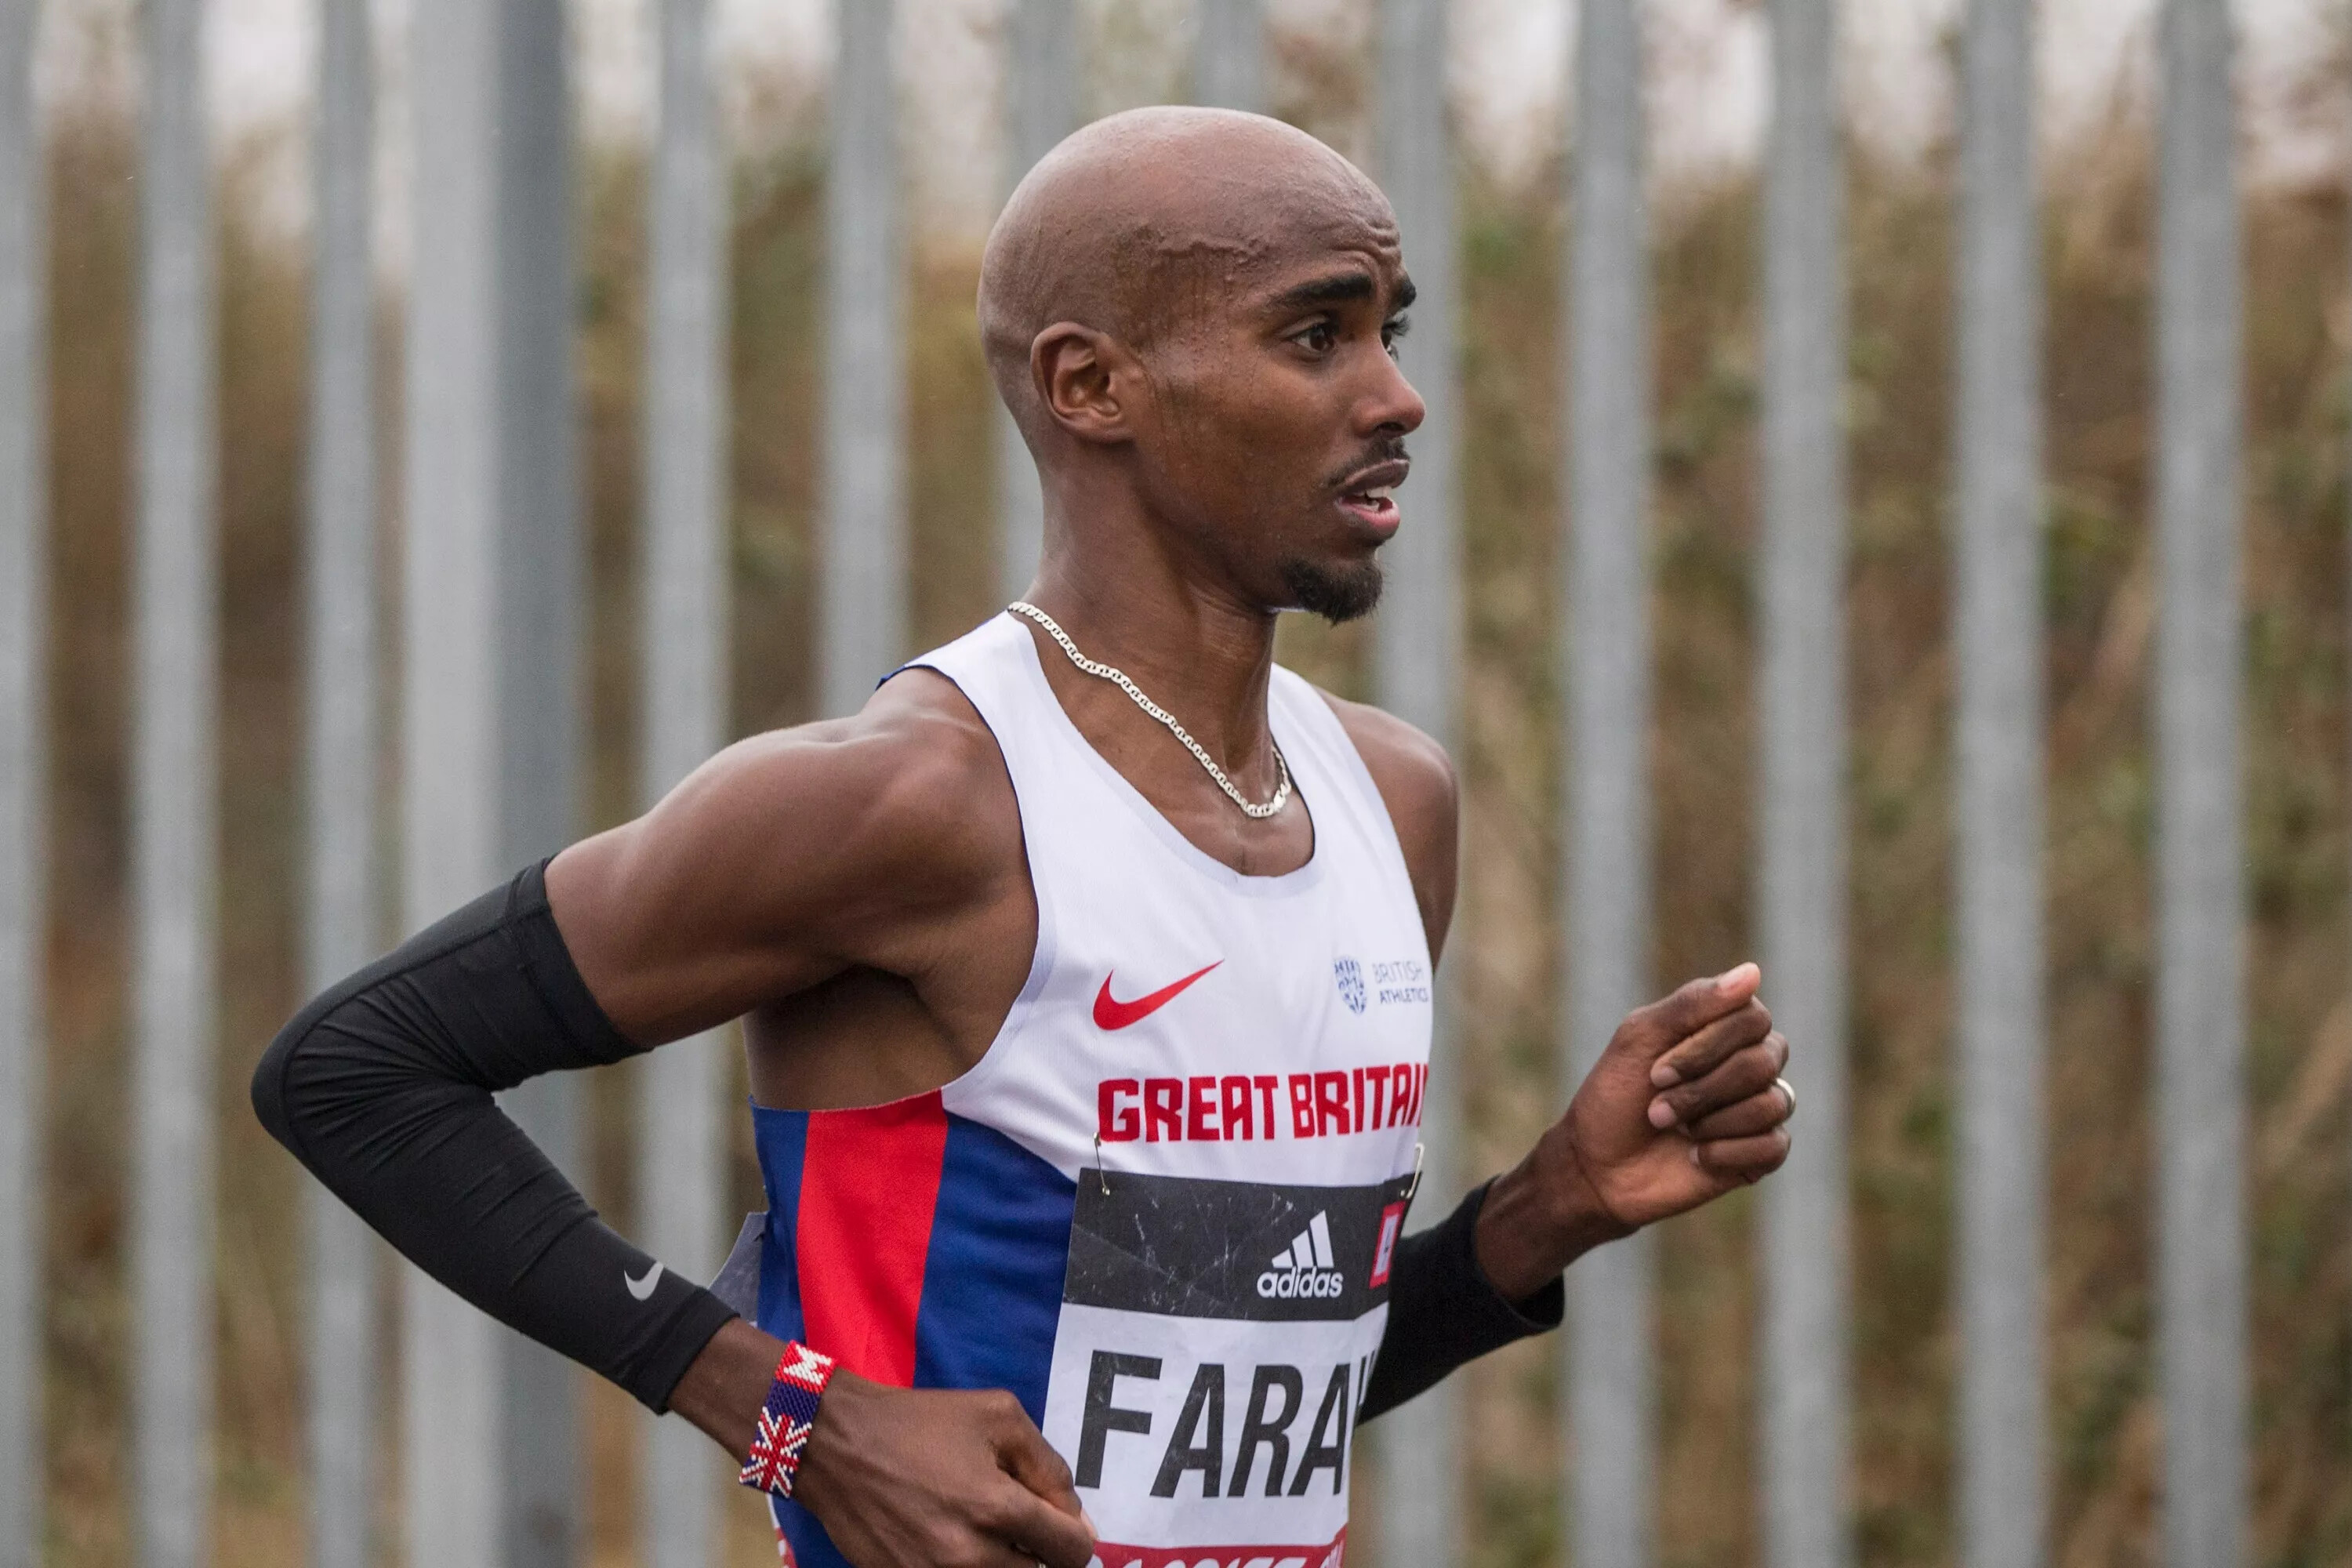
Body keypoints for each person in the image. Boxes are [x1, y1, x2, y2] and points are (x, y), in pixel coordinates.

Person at [255, 106, 1794, 1568]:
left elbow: (1238, 1396)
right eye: (1317, 336)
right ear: (1089, 386)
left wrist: (1549, 1208)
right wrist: (788, 1414)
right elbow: (352, 1068)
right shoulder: (917, 803)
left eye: (1393, 329)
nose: (1396, 397)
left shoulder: (1393, 806)